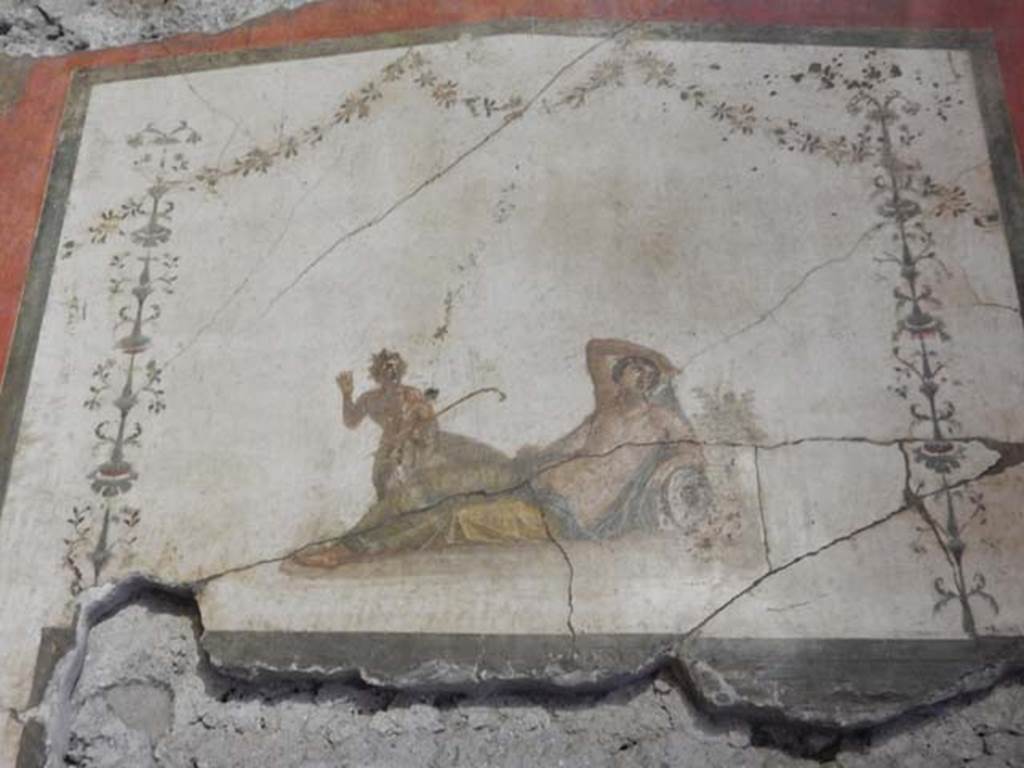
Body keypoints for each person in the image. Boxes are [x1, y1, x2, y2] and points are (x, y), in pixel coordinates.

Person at [524, 338, 710, 538]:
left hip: (577, 510)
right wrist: (652, 355)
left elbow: (695, 454)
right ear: (619, 375)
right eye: (637, 369)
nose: (645, 376)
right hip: (545, 486)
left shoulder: (660, 418)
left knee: (506, 521)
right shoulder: (607, 405)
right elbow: (595, 348)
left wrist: (666, 467)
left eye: (651, 374)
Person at [337, 349, 438, 500]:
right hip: (387, 448)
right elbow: (351, 422)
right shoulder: (370, 399)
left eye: (396, 368)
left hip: (411, 446)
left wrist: (421, 422)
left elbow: (430, 422)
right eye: (388, 368)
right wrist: (346, 395)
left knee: (408, 484)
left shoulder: (412, 394)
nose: (393, 372)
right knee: (380, 481)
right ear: (378, 374)